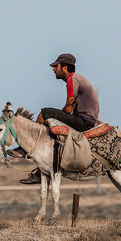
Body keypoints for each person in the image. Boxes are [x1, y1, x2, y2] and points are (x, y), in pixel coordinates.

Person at [9, 53, 99, 184]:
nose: (53, 69)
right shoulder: (76, 79)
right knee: (50, 121)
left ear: (64, 68)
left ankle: (25, 148)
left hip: (84, 121)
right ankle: (40, 171)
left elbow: (68, 109)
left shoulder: (72, 80)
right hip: (84, 119)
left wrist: (55, 118)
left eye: (56, 66)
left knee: (45, 113)